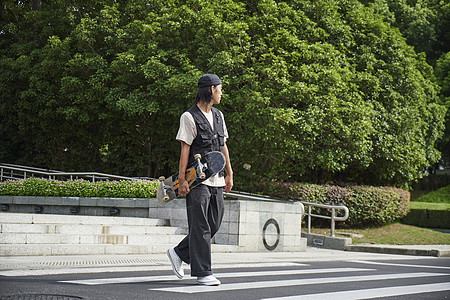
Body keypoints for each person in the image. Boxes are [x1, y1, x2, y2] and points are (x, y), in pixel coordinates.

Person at [167, 74, 233, 286]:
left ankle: (178, 252)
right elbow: (185, 150)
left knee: (213, 224)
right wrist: (183, 180)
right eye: (220, 89)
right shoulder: (189, 117)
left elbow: (223, 146)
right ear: (211, 89)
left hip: (217, 180)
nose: (221, 93)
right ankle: (204, 273)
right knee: (201, 226)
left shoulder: (219, 115)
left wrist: (230, 173)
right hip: (197, 181)